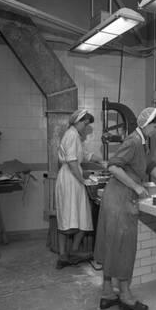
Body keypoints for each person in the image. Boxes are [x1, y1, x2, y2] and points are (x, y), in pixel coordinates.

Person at [94, 107, 156, 310]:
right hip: (120, 199)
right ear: (146, 124)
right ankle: (125, 296)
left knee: (112, 245)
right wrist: (137, 187)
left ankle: (107, 293)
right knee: (123, 248)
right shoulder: (132, 141)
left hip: (116, 199)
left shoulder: (142, 144)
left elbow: (149, 166)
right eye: (155, 126)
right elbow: (113, 166)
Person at [55, 109, 104, 269]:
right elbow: (72, 161)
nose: (85, 126)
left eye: (87, 124)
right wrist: (82, 179)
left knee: (80, 215)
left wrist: (102, 161)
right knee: (68, 216)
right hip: (70, 178)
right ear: (77, 121)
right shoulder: (72, 135)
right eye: (85, 123)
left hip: (73, 178)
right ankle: (64, 255)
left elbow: (85, 154)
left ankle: (73, 252)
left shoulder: (75, 135)